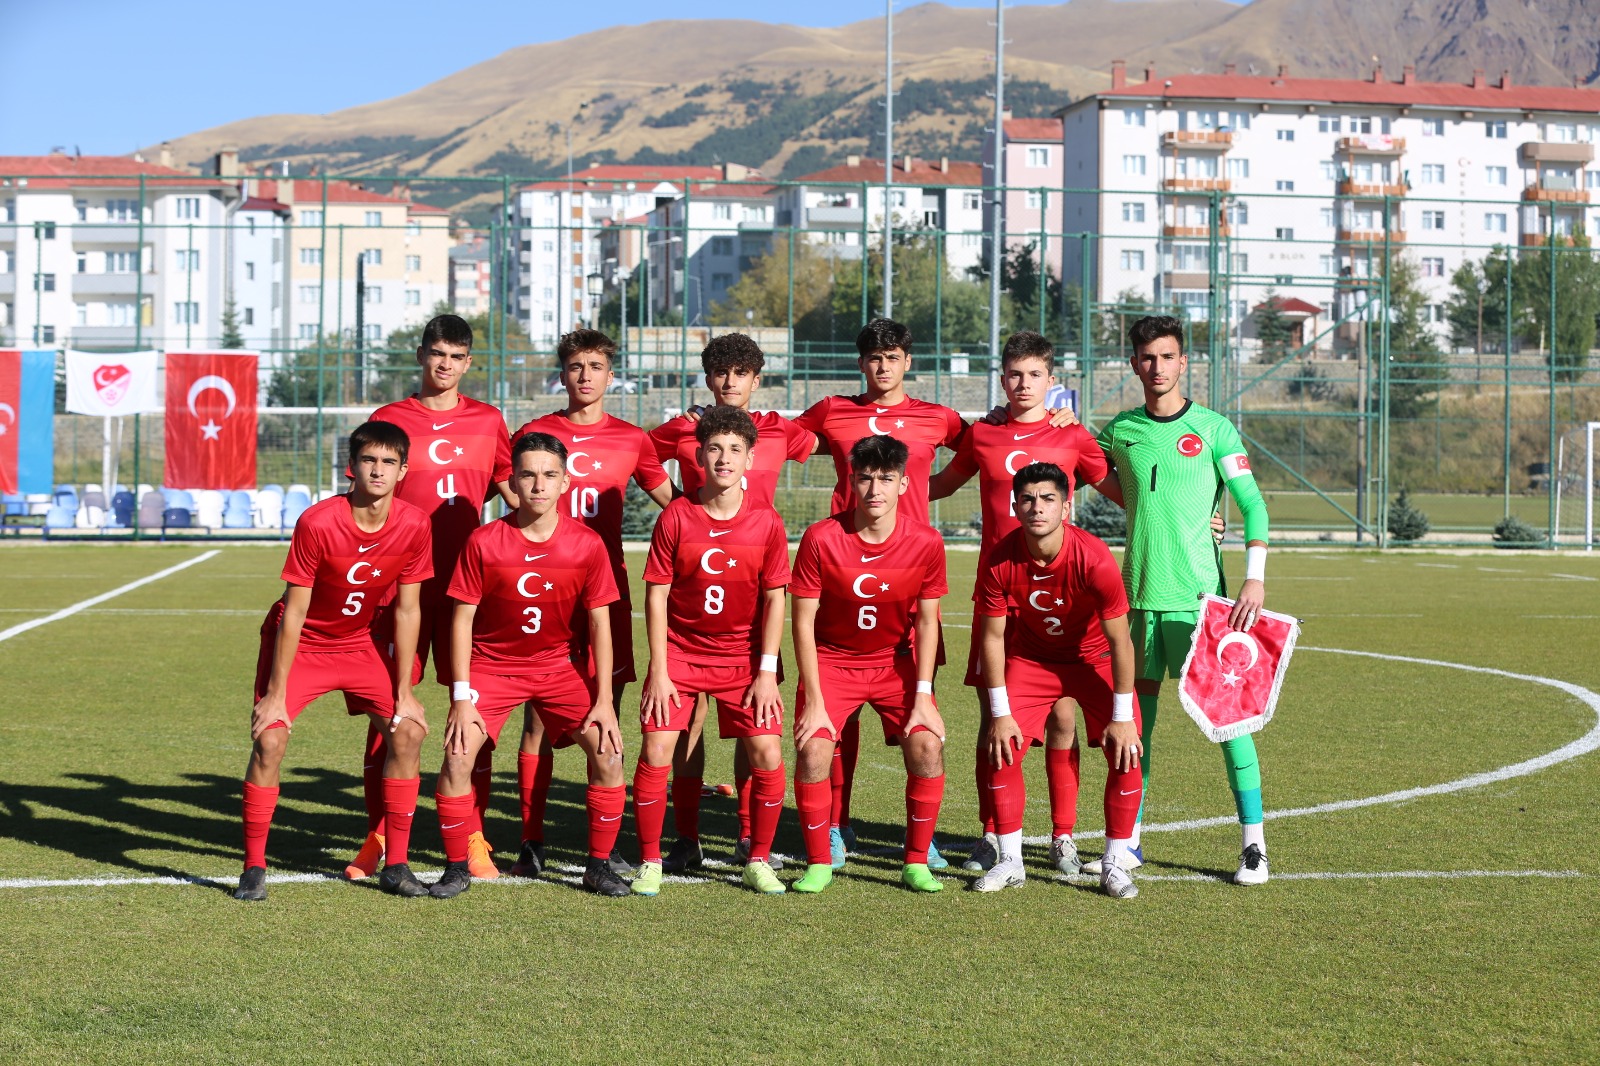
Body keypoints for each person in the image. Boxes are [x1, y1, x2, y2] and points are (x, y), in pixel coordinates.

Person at [1085, 314, 1273, 886]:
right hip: (1138, 602)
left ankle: (1255, 847)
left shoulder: (1214, 429)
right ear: (1134, 364)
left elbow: (1253, 504)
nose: (1157, 367)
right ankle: (1127, 843)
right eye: (1147, 357)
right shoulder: (1121, 431)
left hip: (1201, 604)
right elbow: (1089, 467)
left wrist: (1255, 577)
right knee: (1134, 729)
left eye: (1167, 356)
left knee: (1230, 724)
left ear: (1183, 362)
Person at [928, 330, 1112, 876]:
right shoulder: (983, 434)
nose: (1023, 384)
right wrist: (869, 488)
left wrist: (1201, 516)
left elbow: (1120, 490)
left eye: (1034, 375)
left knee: (1061, 716)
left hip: (1056, 598)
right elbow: (937, 485)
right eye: (1014, 374)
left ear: (1052, 380)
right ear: (1002, 378)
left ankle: (1062, 835)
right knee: (995, 719)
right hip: (998, 597)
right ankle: (993, 834)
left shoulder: (1072, 434)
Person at [791, 319, 966, 871]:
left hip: (909, 574)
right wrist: (718, 414)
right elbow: (774, 437)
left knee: (919, 716)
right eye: (874, 357)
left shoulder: (937, 417)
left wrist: (936, 490)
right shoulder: (832, 411)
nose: (883, 366)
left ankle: (921, 837)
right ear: (861, 363)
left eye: (893, 356)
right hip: (846, 568)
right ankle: (835, 825)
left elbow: (988, 444)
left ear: (908, 361)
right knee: (836, 725)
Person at [235, 421, 434, 901]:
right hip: (304, 644)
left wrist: (405, 691)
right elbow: (294, 611)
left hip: (358, 643)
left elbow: (408, 609)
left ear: (403, 471)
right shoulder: (318, 521)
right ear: (352, 467)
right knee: (270, 739)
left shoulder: (415, 523)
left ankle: (397, 864)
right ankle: (253, 867)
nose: (378, 470)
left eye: (388, 462)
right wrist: (275, 694)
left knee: (408, 731)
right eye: (369, 460)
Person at [428, 432, 630, 898]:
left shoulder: (586, 544)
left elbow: (600, 625)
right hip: (491, 667)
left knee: (608, 753)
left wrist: (603, 700)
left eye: (549, 475)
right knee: (457, 757)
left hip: (558, 668)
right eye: (528, 475)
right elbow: (461, 620)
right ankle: (456, 867)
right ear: (513, 481)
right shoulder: (484, 541)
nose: (539, 485)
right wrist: (461, 697)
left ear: (565, 481)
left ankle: (598, 867)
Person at [508, 329, 675, 878]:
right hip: (543, 590)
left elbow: (673, 504)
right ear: (562, 374)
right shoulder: (535, 433)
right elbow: (503, 482)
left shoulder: (632, 438)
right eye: (576, 366)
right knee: (538, 716)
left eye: (596, 366)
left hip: (605, 592)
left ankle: (604, 840)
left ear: (611, 375)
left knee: (606, 716)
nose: (585, 375)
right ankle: (531, 838)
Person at [647, 333, 814, 871]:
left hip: (752, 595)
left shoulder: (779, 429)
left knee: (752, 727)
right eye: (720, 372)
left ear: (756, 379)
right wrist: (675, 502)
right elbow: (640, 452)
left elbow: (834, 439)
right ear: (707, 378)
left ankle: (747, 833)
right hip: (695, 589)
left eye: (740, 373)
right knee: (687, 722)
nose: (729, 382)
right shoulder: (686, 428)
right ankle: (687, 836)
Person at [360, 313, 515, 884]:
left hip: (467, 590)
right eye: (437, 353)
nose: (445, 364)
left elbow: (513, 489)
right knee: (387, 710)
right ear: (421, 355)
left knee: (474, 713)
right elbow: (367, 498)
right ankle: (379, 835)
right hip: (397, 586)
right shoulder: (389, 419)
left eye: (455, 356)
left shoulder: (489, 420)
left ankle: (473, 836)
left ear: (468, 363)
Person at [631, 406, 792, 897]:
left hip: (743, 657)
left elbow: (775, 599)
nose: (724, 458)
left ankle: (757, 859)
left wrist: (766, 672)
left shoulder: (766, 521)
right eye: (715, 449)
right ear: (699, 455)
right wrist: (659, 670)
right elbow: (656, 595)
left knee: (767, 751)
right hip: (680, 653)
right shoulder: (676, 516)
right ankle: (652, 860)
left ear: (750, 459)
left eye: (735, 450)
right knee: (657, 747)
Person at [972, 462, 1143, 898]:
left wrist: (1123, 716)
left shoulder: (1094, 557)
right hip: (1032, 660)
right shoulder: (999, 559)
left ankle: (1114, 863)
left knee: (1126, 749)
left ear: (1066, 507)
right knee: (1002, 745)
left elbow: (1121, 642)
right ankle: (1010, 861)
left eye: (1048, 499)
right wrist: (1000, 713)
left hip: (1093, 659)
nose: (1037, 508)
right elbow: (992, 638)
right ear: (1015, 507)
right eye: (1028, 499)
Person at [789, 435, 948, 895]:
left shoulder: (926, 541)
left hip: (894, 663)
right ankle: (820, 862)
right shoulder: (821, 537)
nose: (875, 489)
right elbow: (802, 621)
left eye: (886, 479)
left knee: (927, 746)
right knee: (813, 750)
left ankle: (917, 860)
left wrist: (923, 696)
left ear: (904, 485)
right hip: (833, 662)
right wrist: (813, 699)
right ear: (851, 482)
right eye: (865, 478)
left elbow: (928, 622)